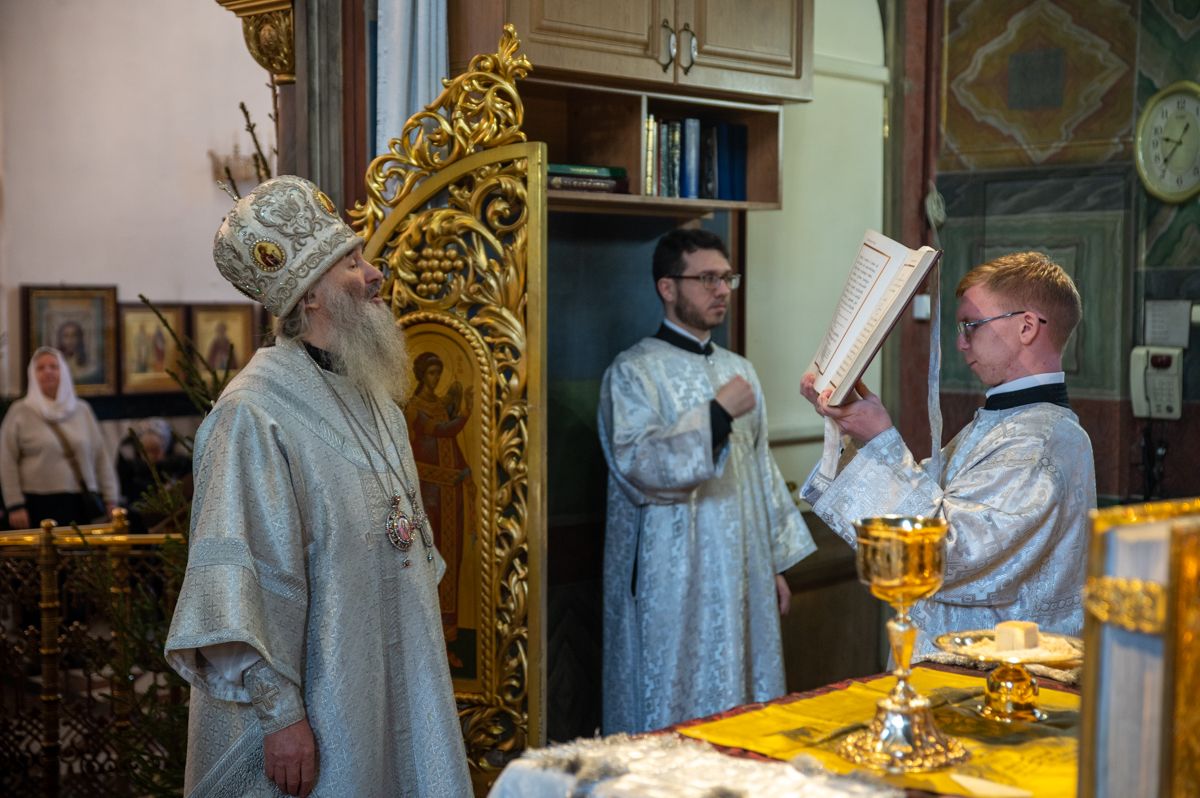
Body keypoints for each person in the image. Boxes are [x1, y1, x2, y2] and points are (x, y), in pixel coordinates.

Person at [165, 175, 470, 797]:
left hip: (395, 674)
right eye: (353, 263)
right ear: (310, 296)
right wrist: (281, 718)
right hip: (316, 705)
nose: (376, 274)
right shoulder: (252, 415)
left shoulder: (373, 395)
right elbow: (236, 587)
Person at [800, 251, 1095, 655]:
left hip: (995, 674)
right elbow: (931, 497)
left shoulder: (1043, 440)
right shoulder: (1002, 422)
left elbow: (952, 551)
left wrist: (881, 438)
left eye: (971, 325)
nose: (960, 342)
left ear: (1027, 327)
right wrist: (855, 428)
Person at [598, 228, 816, 734]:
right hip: (672, 573)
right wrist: (716, 414)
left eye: (727, 278)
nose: (721, 290)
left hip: (741, 568)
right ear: (667, 287)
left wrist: (773, 565)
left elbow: (759, 470)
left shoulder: (740, 370)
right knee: (672, 699)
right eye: (707, 279)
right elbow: (637, 465)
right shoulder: (633, 372)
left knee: (743, 699)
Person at [405, 351, 476, 671]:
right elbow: (440, 432)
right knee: (428, 562)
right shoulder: (415, 407)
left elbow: (452, 446)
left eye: (438, 372)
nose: (435, 378)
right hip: (430, 494)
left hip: (451, 496)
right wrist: (466, 414)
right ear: (422, 374)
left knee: (452, 563)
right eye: (431, 373)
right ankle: (426, 644)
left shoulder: (440, 404)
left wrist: (465, 472)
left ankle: (448, 641)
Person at [1, 347, 118, 529]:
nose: (48, 371)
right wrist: (14, 504)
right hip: (36, 503)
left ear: (63, 371)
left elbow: (101, 457)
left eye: (54, 366)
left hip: (80, 501)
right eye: (40, 368)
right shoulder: (20, 411)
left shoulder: (82, 410)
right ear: (32, 374)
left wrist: (111, 498)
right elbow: (6, 460)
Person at [116, 417, 190, 532]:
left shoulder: (177, 464)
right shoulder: (131, 464)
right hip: (141, 509)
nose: (150, 456)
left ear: (164, 448)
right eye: (147, 451)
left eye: (155, 451)